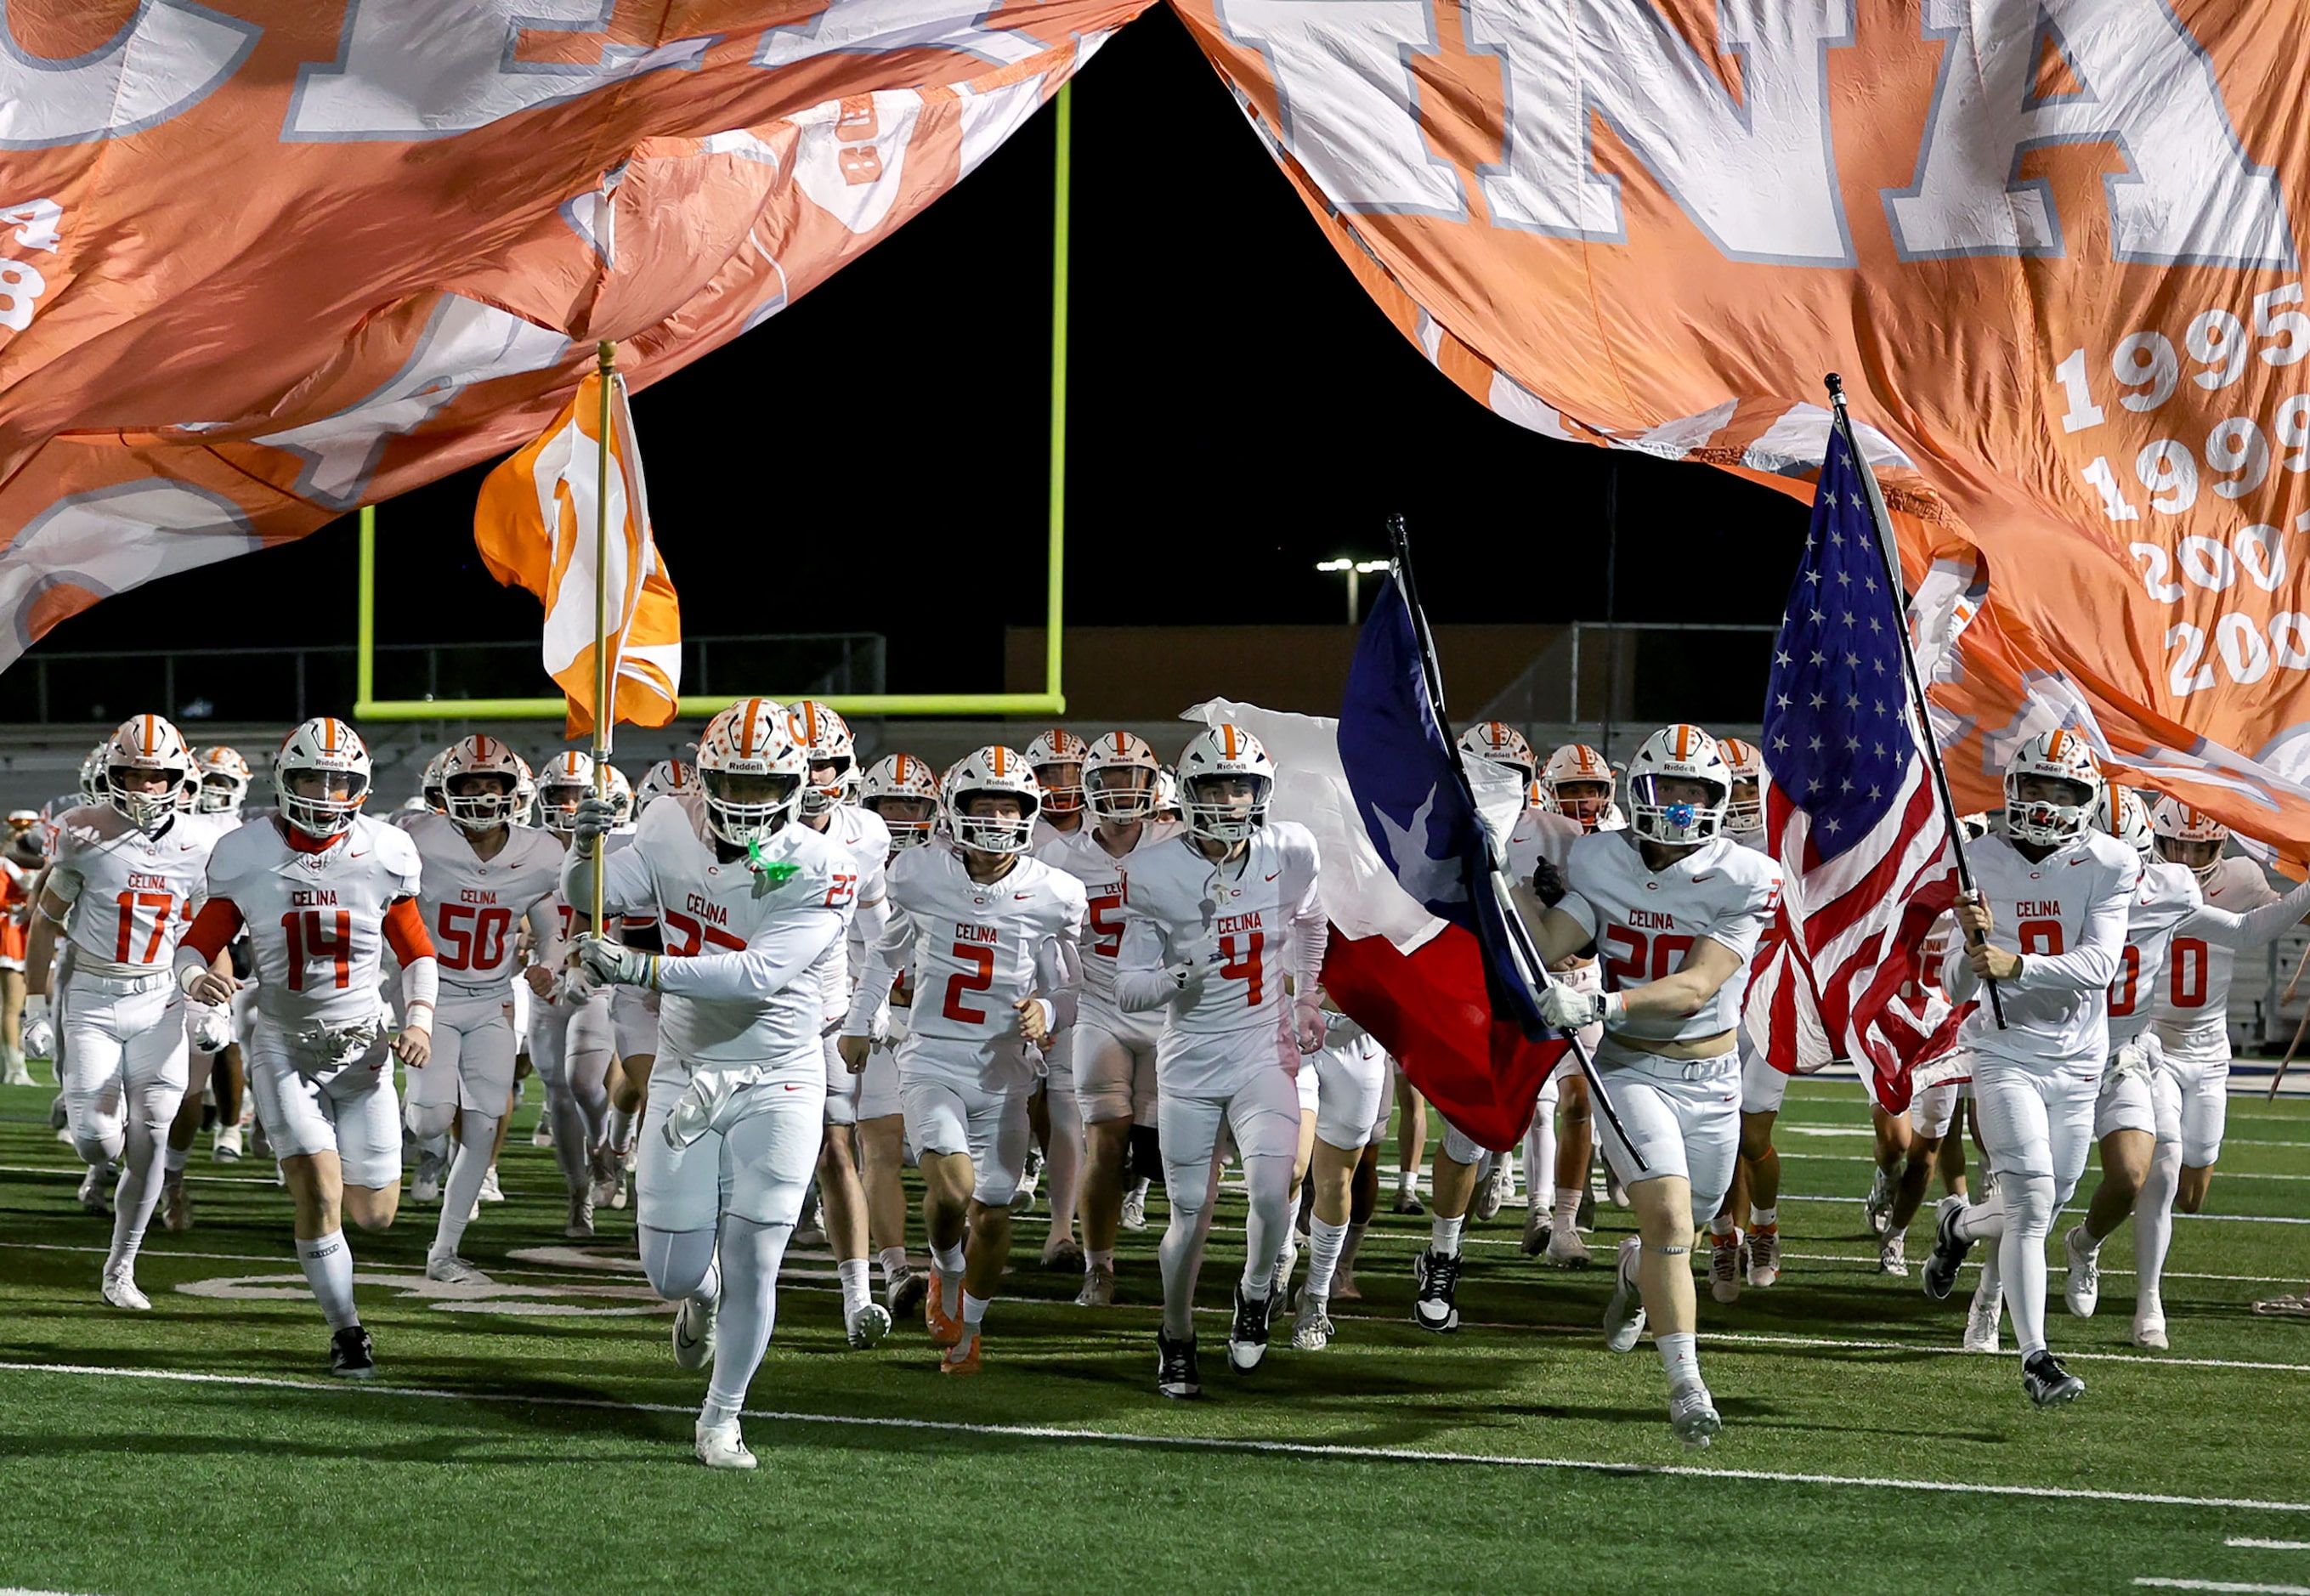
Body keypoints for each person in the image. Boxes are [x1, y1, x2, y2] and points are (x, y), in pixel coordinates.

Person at [563, 699, 854, 1469]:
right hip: (686, 1070)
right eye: (734, 781)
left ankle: (721, 1418)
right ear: (704, 776)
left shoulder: (823, 863)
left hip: (780, 1075)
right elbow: (596, 895)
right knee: (673, 1271)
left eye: (766, 787)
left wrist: (641, 967)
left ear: (797, 787)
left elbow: (758, 975)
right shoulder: (664, 824)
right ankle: (701, 1296)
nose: (749, 801)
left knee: (759, 1253)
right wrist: (580, 851)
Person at [1515, 724, 1782, 1447]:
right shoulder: (1601, 856)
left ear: (1719, 800)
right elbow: (1558, 937)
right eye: (1669, 787)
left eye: (1696, 790)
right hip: (1632, 1068)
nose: (1681, 803)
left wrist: (1601, 1003)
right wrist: (1512, 905)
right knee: (1668, 1221)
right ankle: (1687, 1385)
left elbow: (1698, 986)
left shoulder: (1747, 875)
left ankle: (1633, 1276)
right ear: (1641, 791)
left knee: (1679, 1234)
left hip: (1713, 1077)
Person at [176, 718, 435, 1379]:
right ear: (283, 781)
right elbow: (196, 941)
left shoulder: (387, 850)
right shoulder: (245, 851)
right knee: (318, 1192)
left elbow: (417, 951)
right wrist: (192, 977)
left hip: (365, 1052)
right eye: (310, 778)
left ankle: (321, 1197)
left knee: (374, 1215)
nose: (324, 792)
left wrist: (422, 1020)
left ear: (361, 786)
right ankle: (347, 1329)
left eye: (338, 780)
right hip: (285, 1049)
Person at [841, 745, 1084, 1372]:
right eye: (986, 806)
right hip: (933, 1058)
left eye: (1011, 807)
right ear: (959, 811)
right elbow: (885, 954)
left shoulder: (1055, 892)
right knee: (953, 1191)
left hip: (1004, 1070)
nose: (999, 819)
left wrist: (1049, 1014)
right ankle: (945, 1266)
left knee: (996, 1209)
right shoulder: (921, 874)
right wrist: (860, 1021)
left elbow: (1071, 988)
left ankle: (969, 1331)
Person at [1918, 730, 2136, 1407]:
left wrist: (2017, 963)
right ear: (2012, 789)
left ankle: (1956, 1226)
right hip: (2003, 1050)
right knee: (2034, 1200)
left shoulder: (2110, 861)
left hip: (2075, 1061)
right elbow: (1954, 985)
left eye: (2062, 789)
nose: (2045, 802)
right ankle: (2037, 1358)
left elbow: (2099, 968)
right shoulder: (1976, 855)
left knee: (2038, 1202)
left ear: (2086, 798)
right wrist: (1969, 942)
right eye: (2035, 785)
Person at [1116, 725, 1325, 1397]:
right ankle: (1176, 1333)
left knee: (1272, 1192)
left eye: (1242, 784)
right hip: (1191, 1061)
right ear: (1190, 791)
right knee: (1191, 1214)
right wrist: (1182, 973)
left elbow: (1311, 920)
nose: (1230, 798)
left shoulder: (1290, 849)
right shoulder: (1153, 869)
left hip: (1263, 1048)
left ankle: (1256, 1292)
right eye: (1215, 784)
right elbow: (1128, 986)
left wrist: (1310, 996)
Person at [28, 715, 232, 1308]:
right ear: (112, 775)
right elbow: (45, 921)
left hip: (160, 1000)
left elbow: (208, 926)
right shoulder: (80, 832)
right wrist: (36, 1009)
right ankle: (103, 1165)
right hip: (92, 996)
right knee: (96, 1141)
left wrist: (216, 985)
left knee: (150, 1136)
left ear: (179, 778)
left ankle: (121, 1267)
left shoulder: (201, 842)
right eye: (132, 775)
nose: (144, 787)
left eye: (156, 776)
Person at [2093, 796, 2310, 1347]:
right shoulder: (2138, 878)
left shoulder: (2239, 875)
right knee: (2162, 1173)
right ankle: (2149, 1305)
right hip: (2151, 1044)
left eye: (2202, 846)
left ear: (2221, 847)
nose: (2187, 857)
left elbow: (2264, 920)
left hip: (2211, 1052)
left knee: (2193, 1192)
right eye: (2178, 844)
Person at [403, 735, 564, 1279]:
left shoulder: (539, 852)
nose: (481, 795)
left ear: (513, 792)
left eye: (491, 785)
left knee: (485, 1121)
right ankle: (416, 1137)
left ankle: (443, 1251)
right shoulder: (418, 838)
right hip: (434, 997)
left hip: (493, 998)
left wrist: (551, 964)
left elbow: (553, 925)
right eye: (469, 786)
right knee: (431, 1121)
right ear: (448, 792)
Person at [1038, 730, 1179, 1305]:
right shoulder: (1057, 856)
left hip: (1170, 1010)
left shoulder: (1178, 841)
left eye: (1132, 779)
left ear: (1153, 785)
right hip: (1099, 1006)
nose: (1121, 792)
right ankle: (1099, 1265)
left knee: (1171, 1152)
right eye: (1110, 780)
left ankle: (1182, 1252)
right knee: (1105, 1140)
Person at [789, 701, 899, 1350]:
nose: (812, 776)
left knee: (837, 1147)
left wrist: (872, 1001)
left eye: (823, 762)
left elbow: (876, 930)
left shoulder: (866, 834)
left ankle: (857, 1297)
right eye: (800, 763)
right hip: (754, 1011)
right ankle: (710, 1279)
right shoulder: (742, 828)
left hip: (827, 1007)